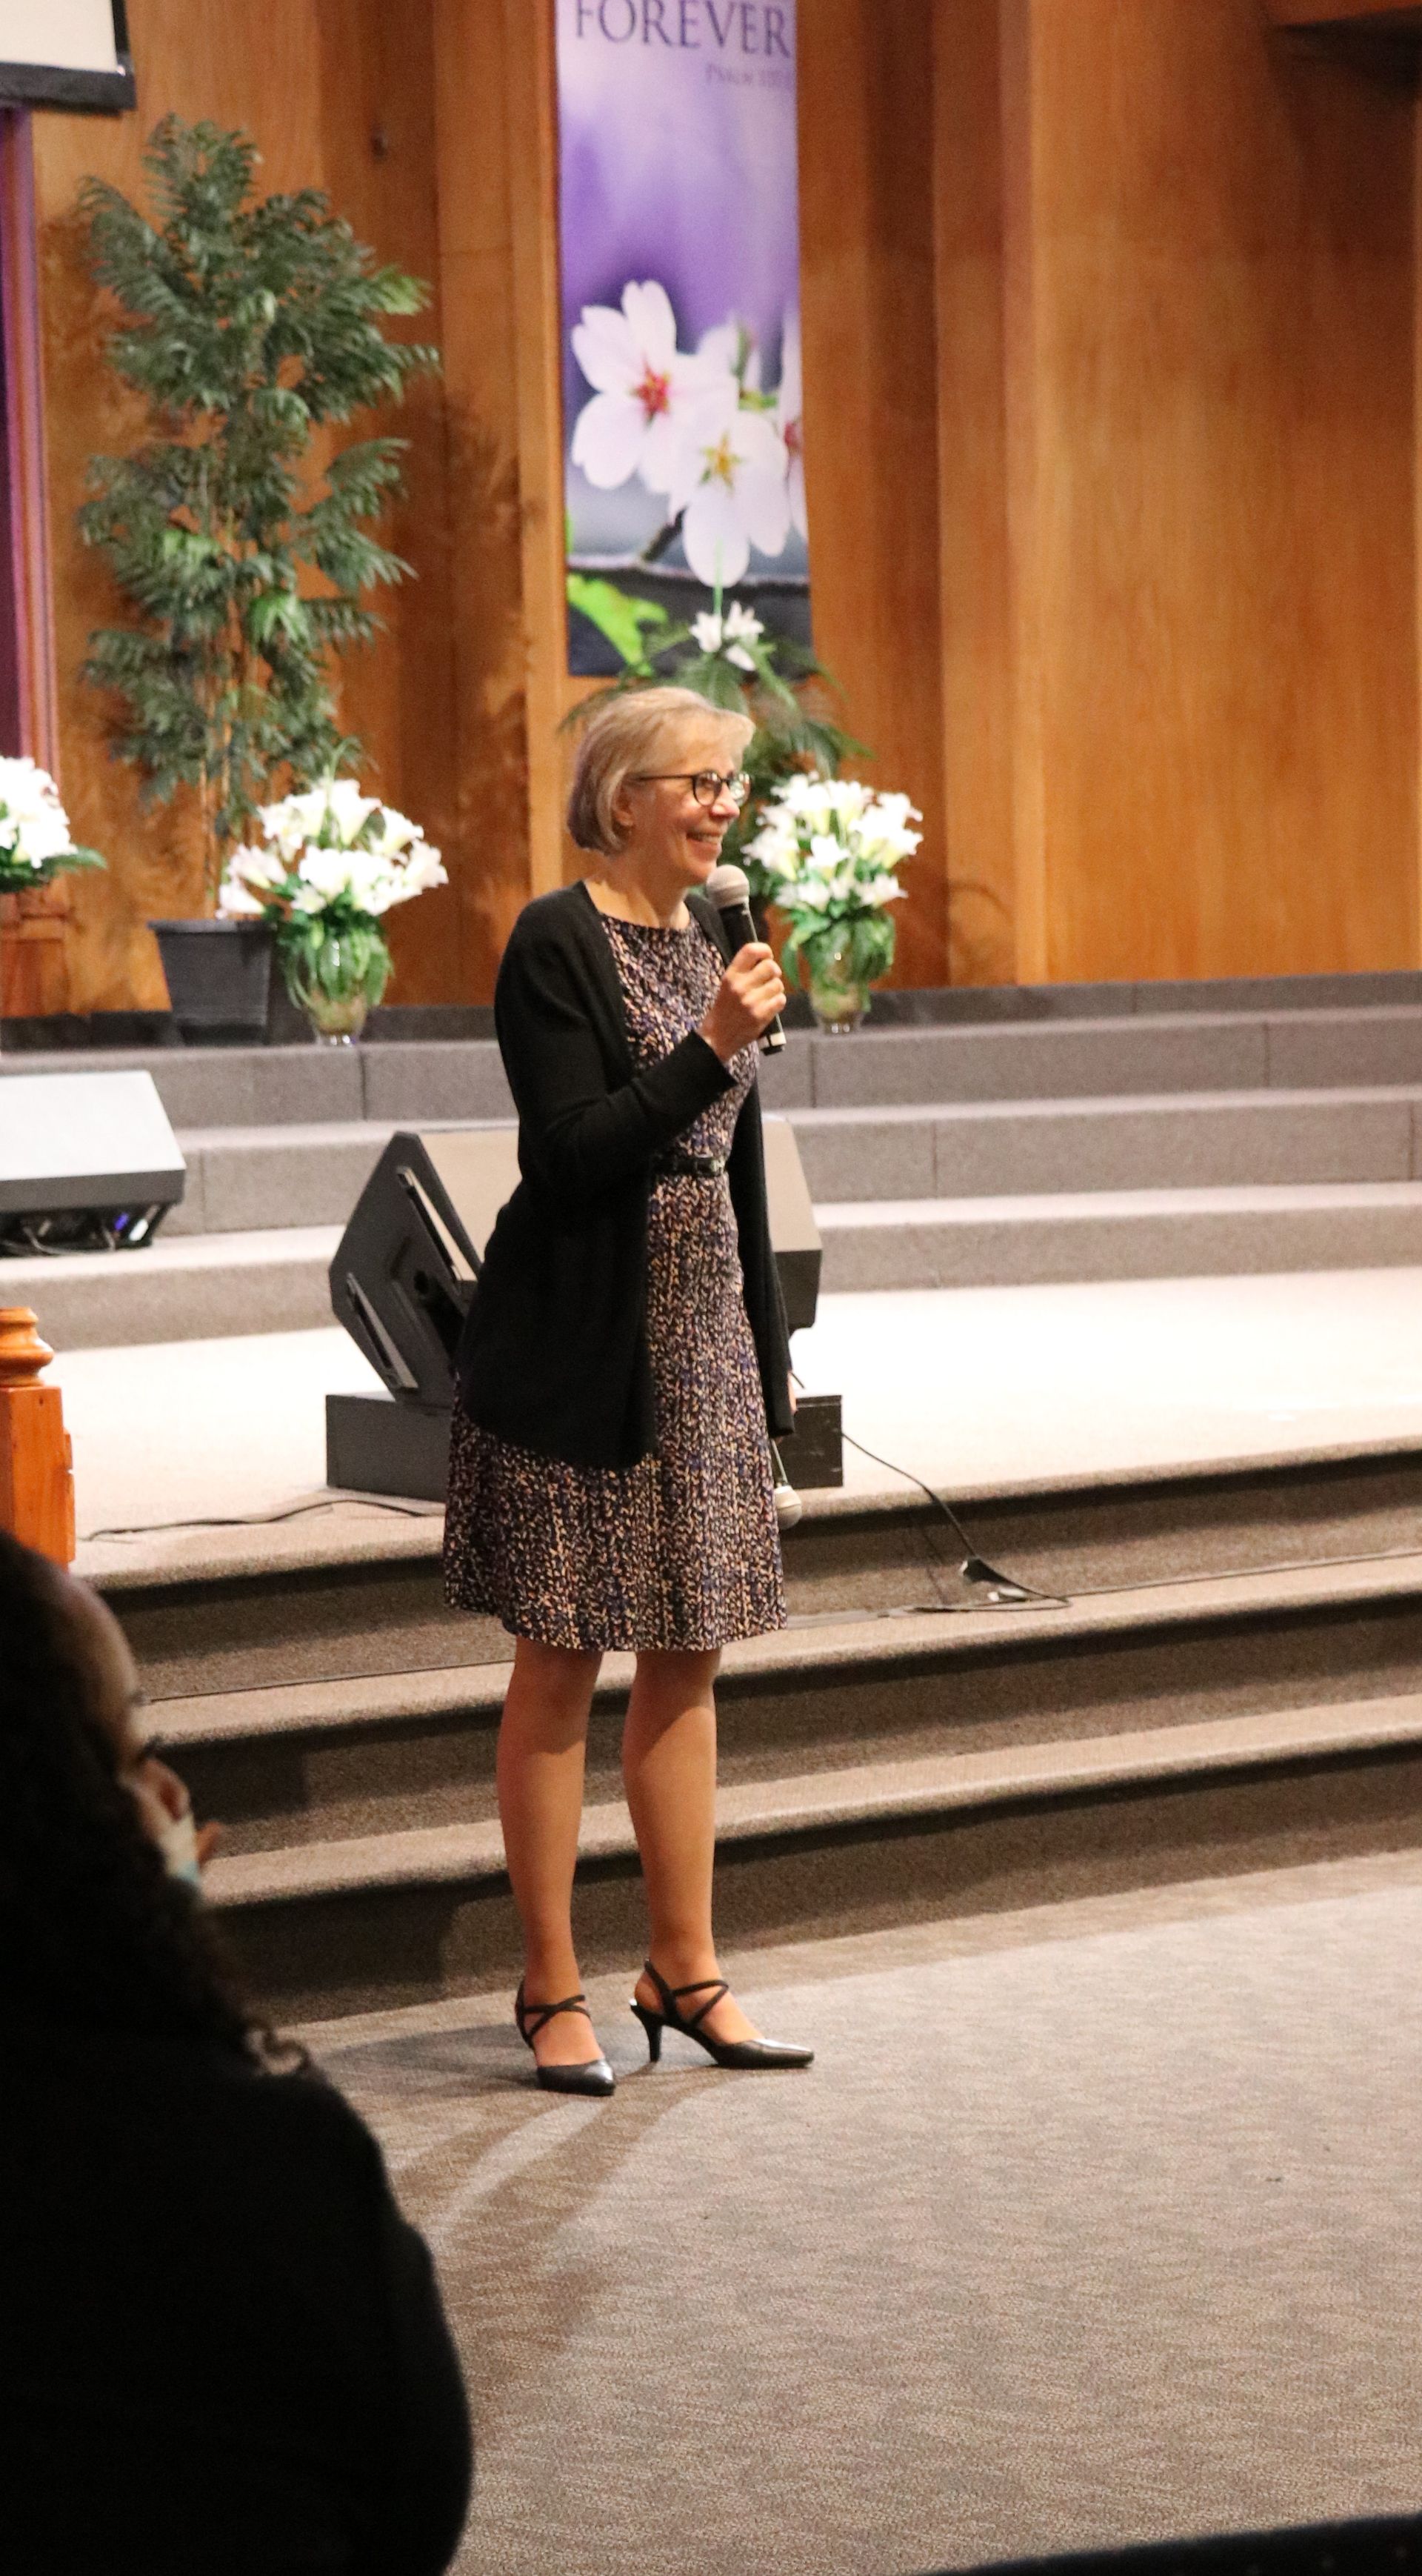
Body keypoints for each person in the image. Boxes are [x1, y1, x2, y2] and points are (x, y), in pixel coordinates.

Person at [445, 684, 814, 2094]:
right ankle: (551, 1983)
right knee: (563, 1659)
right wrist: (711, 1044)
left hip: (704, 1336)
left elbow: (738, 1172)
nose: (724, 802)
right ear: (623, 797)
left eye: (731, 779)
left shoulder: (717, 933)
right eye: (698, 779)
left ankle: (685, 1965)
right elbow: (571, 1154)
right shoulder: (555, 939)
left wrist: (771, 1373)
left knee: (690, 1648)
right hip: (582, 1342)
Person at [0, 1531, 472, 2576]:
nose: (174, 1794)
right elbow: (415, 2503)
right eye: (129, 1750)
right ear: (46, 1810)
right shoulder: (266, 2159)